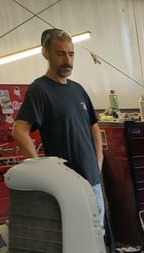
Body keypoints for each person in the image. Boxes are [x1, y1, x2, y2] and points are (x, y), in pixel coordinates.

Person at [12, 28, 105, 223]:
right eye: (60, 53)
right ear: (46, 53)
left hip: (92, 182)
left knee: (98, 238)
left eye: (71, 54)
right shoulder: (40, 89)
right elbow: (19, 131)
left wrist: (98, 160)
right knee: (77, 240)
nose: (67, 60)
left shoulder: (78, 89)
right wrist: (41, 169)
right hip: (67, 186)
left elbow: (94, 126)